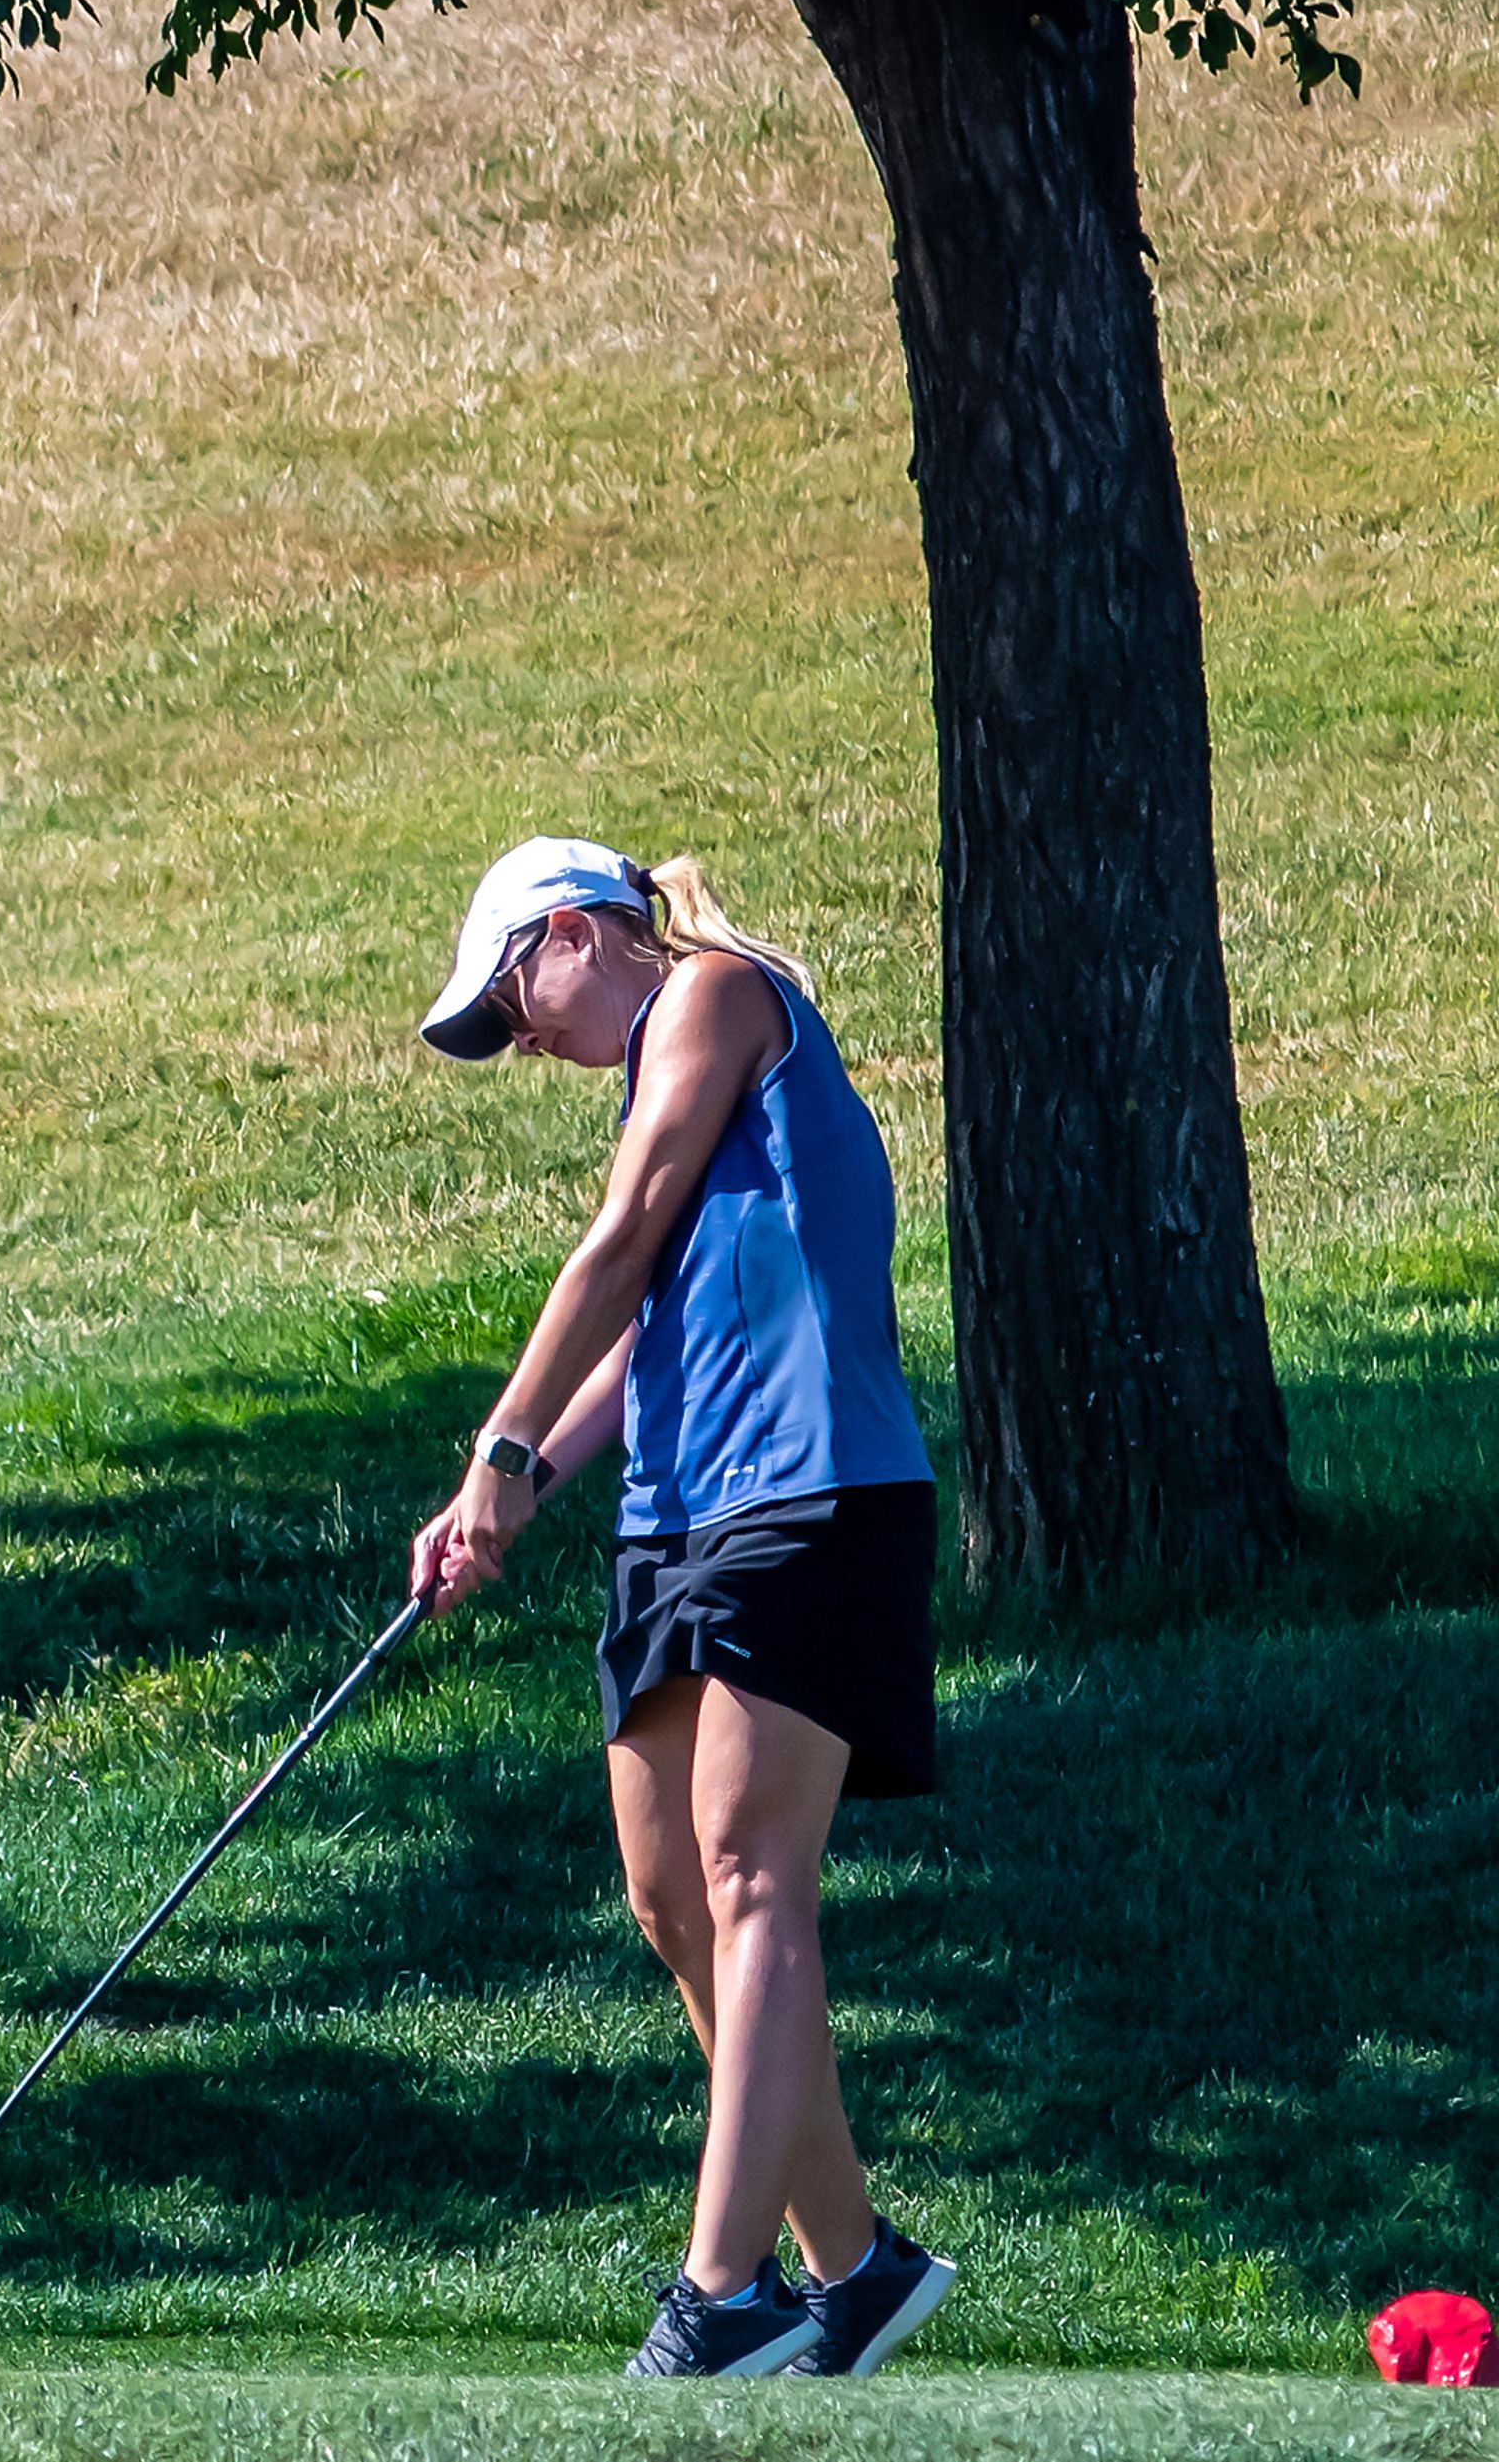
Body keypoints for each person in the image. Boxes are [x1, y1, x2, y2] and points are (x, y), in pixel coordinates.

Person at [406, 836, 958, 2377]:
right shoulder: (675, 1068)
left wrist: (495, 1444)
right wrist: (510, 1495)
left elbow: (626, 1222)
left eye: (513, 993)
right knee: (668, 1890)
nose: (518, 1033)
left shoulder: (719, 995)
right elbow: (646, 1335)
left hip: (816, 1491)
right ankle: (853, 2265)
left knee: (750, 1865)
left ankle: (723, 2296)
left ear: (580, 932)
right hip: (678, 1510)